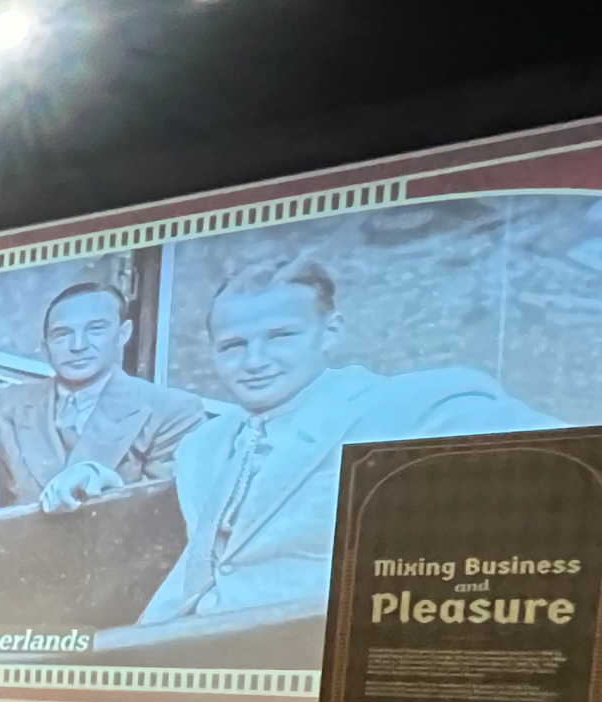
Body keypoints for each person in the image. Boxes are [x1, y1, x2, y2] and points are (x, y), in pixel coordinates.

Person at [43, 252, 550, 623]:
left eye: (281, 337)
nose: (255, 361)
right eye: (234, 345)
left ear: (329, 333)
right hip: (180, 654)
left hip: (321, 667)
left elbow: (561, 475)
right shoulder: (205, 445)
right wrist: (101, 477)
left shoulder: (416, 408)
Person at [0, 281, 205, 508]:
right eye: (62, 335)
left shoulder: (173, 411)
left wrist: (110, 484)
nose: (78, 345)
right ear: (45, 348)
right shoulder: (6, 406)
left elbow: (168, 511)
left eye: (95, 329)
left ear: (123, 334)